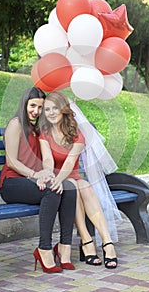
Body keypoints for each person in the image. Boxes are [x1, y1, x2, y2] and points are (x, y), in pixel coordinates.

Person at [0, 87, 77, 273]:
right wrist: (36, 175)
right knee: (52, 190)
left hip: (33, 181)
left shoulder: (39, 129)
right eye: (32, 106)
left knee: (68, 188)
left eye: (40, 107)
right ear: (24, 104)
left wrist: (47, 175)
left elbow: (46, 160)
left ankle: (65, 247)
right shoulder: (16, 124)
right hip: (12, 183)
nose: (36, 111)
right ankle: (44, 248)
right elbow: (11, 161)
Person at [39, 91, 120, 269]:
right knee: (72, 187)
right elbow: (47, 160)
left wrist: (61, 179)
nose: (51, 112)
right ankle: (88, 241)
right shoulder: (44, 133)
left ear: (64, 110)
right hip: (58, 178)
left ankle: (105, 242)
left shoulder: (76, 133)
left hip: (70, 175)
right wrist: (52, 176)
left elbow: (69, 162)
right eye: (47, 109)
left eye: (55, 108)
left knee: (82, 186)